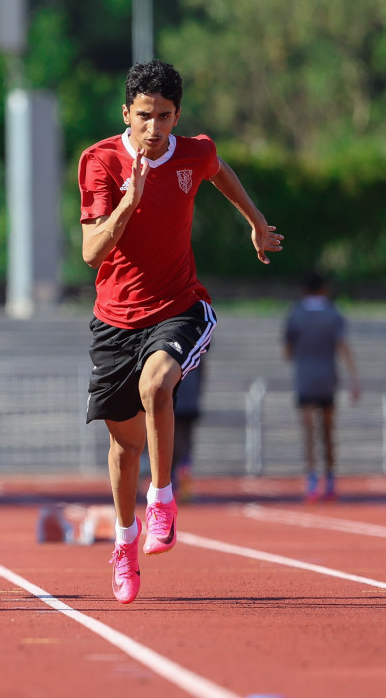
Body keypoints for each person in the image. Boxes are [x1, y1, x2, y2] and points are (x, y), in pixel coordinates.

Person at [79, 59, 283, 604]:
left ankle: (163, 498)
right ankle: (124, 544)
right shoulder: (99, 161)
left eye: (164, 116)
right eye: (144, 115)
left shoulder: (194, 152)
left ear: (177, 115)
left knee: (157, 385)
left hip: (180, 306)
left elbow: (219, 171)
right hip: (115, 318)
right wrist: (130, 198)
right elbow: (91, 253)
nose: (153, 128)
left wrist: (256, 223)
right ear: (127, 113)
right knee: (123, 446)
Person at [284, 271, 359, 502]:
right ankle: (331, 479)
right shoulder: (333, 313)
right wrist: (354, 378)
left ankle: (312, 481)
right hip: (328, 379)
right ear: (324, 289)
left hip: (306, 378)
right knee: (328, 433)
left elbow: (288, 352)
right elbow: (343, 346)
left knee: (309, 433)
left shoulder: (295, 314)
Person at [170, 352, 205, 503]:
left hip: (176, 399)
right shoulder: (195, 341)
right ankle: (178, 485)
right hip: (185, 398)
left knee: (175, 444)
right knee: (182, 443)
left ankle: (176, 485)